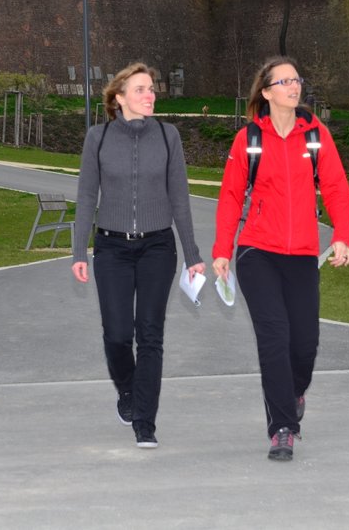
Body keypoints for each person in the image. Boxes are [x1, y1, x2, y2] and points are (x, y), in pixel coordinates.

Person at [211, 56, 349, 462]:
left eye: (297, 80)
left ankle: (295, 391)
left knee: (305, 343)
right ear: (267, 91)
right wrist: (222, 250)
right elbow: (230, 196)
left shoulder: (316, 136)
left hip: (303, 254)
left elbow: (336, 188)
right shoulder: (249, 140)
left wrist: (341, 236)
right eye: (285, 81)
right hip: (257, 251)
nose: (294, 87)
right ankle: (283, 428)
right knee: (274, 337)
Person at [71, 62, 205, 449]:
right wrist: (79, 250)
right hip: (111, 247)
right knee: (117, 334)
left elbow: (180, 198)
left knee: (150, 335)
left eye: (152, 89)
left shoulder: (167, 136)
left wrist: (192, 254)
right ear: (119, 97)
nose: (150, 95)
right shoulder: (98, 138)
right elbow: (86, 196)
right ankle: (128, 390)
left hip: (157, 247)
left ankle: (145, 421)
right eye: (141, 89)